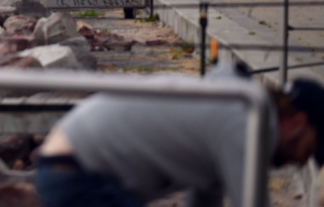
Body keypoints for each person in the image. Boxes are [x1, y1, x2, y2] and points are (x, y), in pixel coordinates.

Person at [35, 68, 324, 207]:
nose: (300, 162)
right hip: (79, 176)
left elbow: (204, 196)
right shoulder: (245, 123)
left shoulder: (237, 107)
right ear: (298, 121)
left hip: (65, 165)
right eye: (306, 149)